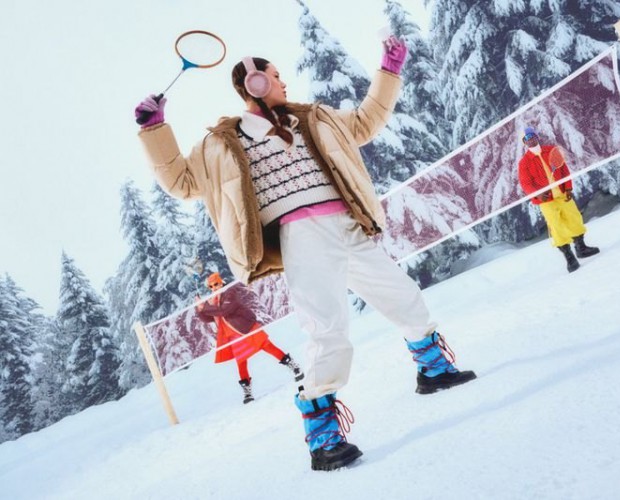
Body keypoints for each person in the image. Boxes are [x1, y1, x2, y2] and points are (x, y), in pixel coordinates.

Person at [135, 35, 476, 471]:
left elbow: (365, 122)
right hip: (302, 237)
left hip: (347, 225)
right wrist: (154, 131)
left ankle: (432, 370)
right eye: (275, 76)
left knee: (403, 296)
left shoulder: (314, 119)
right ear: (255, 83)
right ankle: (322, 435)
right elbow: (182, 182)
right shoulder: (221, 144)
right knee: (328, 330)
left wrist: (389, 71)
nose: (284, 83)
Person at [196, 272, 303, 404]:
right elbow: (208, 318)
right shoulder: (214, 299)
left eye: (216, 284)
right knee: (241, 361)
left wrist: (205, 307)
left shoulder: (230, 291)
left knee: (267, 346)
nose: (214, 288)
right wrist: (200, 309)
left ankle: (293, 366)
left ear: (221, 282)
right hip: (232, 333)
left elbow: (224, 310)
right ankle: (248, 391)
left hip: (245, 326)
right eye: (211, 286)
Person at [518, 126, 600, 272]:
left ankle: (581, 248)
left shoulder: (551, 150)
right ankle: (569, 257)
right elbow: (526, 184)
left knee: (574, 218)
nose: (530, 140)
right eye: (527, 139)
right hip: (546, 201)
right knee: (556, 226)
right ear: (524, 142)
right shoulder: (524, 162)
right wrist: (538, 194)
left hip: (562, 194)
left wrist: (568, 188)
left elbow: (564, 170)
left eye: (532, 136)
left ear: (537, 137)